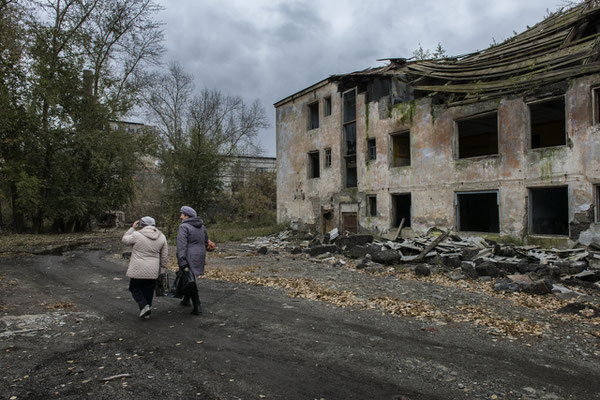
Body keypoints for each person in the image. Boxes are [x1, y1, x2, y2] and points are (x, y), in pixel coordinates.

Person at [121, 216, 168, 319]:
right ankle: (147, 311)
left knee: (134, 288)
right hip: (153, 269)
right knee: (149, 290)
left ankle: (144, 306)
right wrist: (162, 269)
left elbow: (124, 240)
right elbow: (164, 256)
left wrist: (132, 228)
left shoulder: (136, 234)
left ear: (142, 225)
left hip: (138, 267)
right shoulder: (162, 237)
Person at [177, 206, 208, 315]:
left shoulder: (184, 227)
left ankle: (197, 305)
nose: (180, 216)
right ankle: (186, 300)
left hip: (188, 254)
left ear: (187, 215)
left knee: (189, 278)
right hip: (200, 254)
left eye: (182, 214)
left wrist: (181, 259)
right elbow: (206, 241)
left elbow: (181, 245)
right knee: (189, 277)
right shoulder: (202, 226)